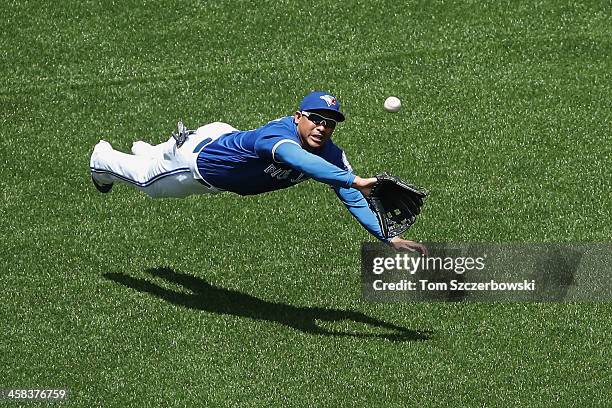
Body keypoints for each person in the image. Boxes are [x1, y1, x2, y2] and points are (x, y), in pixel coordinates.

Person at [90, 91, 425, 252]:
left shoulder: (331, 156)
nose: (323, 127)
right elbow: (300, 162)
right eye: (316, 118)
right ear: (298, 116)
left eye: (330, 123)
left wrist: (388, 237)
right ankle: (102, 159)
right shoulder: (277, 137)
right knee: (149, 183)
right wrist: (354, 178)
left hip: (220, 137)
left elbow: (352, 196)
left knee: (158, 161)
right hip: (196, 163)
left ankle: (156, 150)